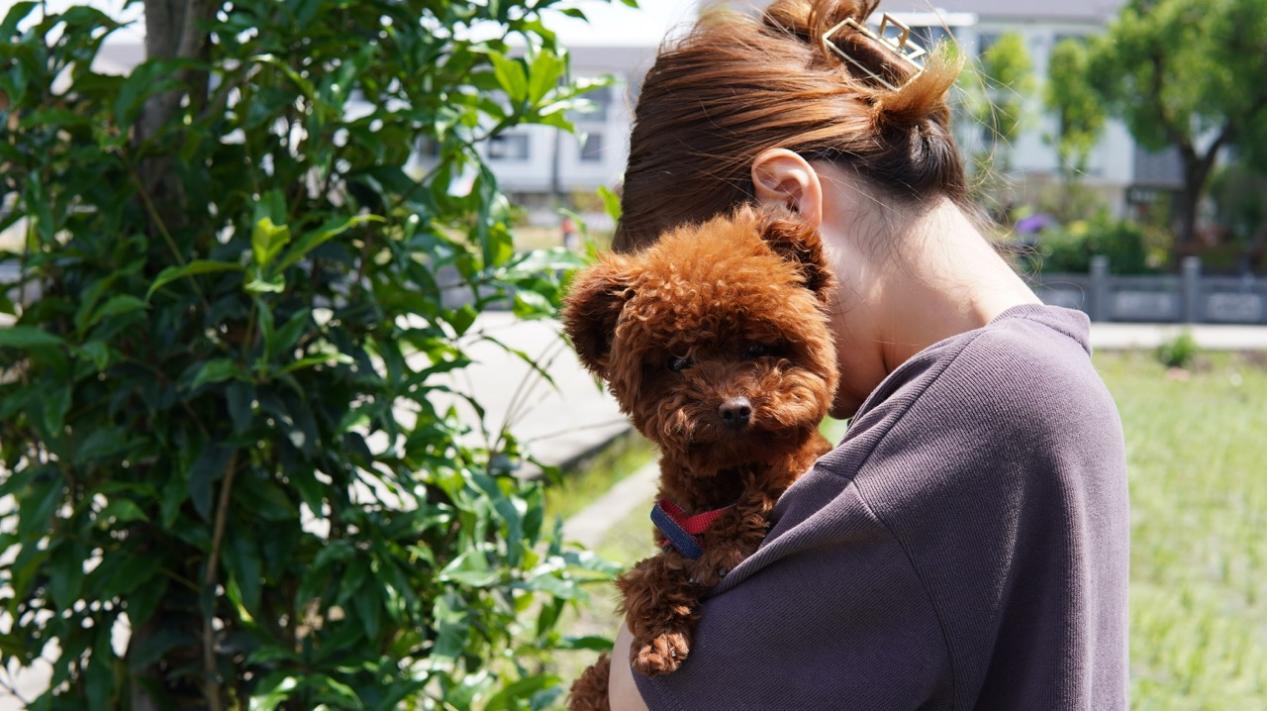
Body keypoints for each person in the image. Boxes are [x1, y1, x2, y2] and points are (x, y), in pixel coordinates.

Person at [602, 0, 1129, 708]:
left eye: (740, 333)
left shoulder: (984, 406)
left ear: (786, 203)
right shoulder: (1045, 370)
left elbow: (649, 693)